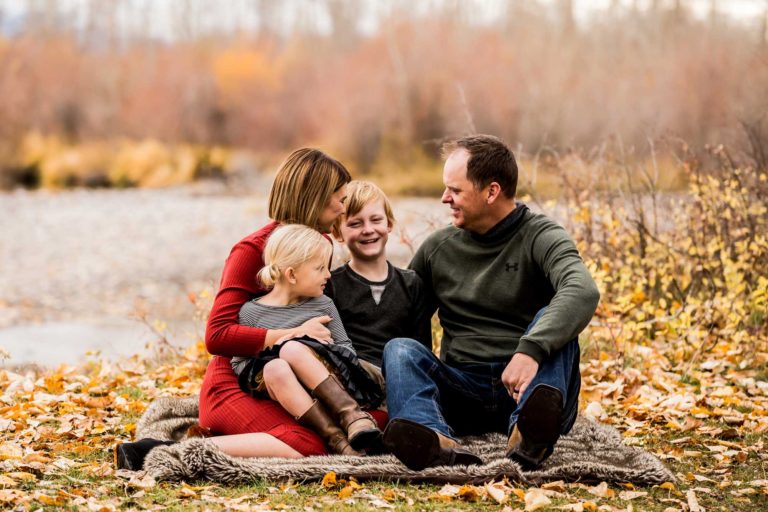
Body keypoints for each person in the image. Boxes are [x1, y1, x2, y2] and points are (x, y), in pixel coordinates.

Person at [115, 148, 387, 471]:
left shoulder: (320, 245)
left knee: (371, 421)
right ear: (314, 198)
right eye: (339, 199)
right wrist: (290, 335)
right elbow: (216, 335)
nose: (344, 207)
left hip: (288, 380)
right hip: (234, 381)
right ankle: (164, 450)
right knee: (309, 443)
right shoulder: (251, 251)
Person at [380, 135, 600, 471]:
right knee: (400, 349)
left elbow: (582, 290)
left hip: (531, 388)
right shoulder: (437, 249)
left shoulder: (541, 236)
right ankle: (432, 438)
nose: (444, 198)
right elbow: (405, 318)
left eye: (455, 190)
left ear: (491, 191)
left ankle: (529, 436)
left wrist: (530, 351)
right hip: (461, 389)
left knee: (553, 317)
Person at [230, 224, 382, 455]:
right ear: (291, 274)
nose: (328, 275)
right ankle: (336, 440)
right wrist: (292, 338)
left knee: (292, 350)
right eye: (320, 268)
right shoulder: (252, 312)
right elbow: (238, 363)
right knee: (276, 365)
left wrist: (321, 351)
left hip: (329, 376)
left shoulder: (323, 304)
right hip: (282, 384)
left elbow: (346, 349)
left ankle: (352, 415)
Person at [324, 181, 432, 379]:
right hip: (353, 377)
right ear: (338, 233)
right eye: (355, 224)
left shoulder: (412, 283)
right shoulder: (331, 285)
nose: (368, 230)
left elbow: (421, 348)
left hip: (401, 377)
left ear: (389, 224)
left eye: (376, 220)